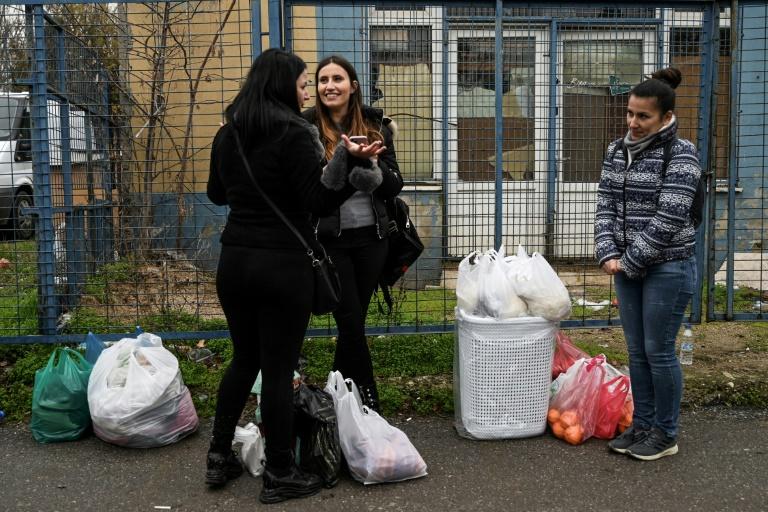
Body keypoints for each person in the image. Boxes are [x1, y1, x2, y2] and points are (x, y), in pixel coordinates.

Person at [205, 49, 382, 504]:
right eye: (304, 84)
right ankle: (281, 471)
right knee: (279, 370)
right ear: (284, 85)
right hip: (282, 267)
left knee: (244, 360)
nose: (309, 91)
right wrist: (347, 165)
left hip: (234, 264)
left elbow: (217, 193)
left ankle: (218, 455)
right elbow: (319, 203)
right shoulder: (295, 132)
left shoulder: (227, 135)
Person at [594, 67, 701, 461]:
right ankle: (642, 426)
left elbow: (670, 215)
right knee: (637, 351)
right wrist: (607, 251)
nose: (633, 123)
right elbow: (605, 203)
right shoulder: (615, 150)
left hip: (668, 267)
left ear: (666, 117)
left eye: (643, 116)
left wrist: (630, 261)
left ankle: (665, 433)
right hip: (625, 266)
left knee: (659, 351)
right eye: (630, 113)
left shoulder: (681, 153)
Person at [302, 55, 404, 411]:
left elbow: (394, 185)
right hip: (330, 241)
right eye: (322, 79)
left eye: (337, 79)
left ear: (353, 86)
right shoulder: (306, 128)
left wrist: (371, 165)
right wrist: (343, 163)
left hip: (373, 239)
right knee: (348, 318)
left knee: (354, 321)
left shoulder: (377, 124)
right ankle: (369, 396)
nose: (329, 85)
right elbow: (311, 192)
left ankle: (337, 395)